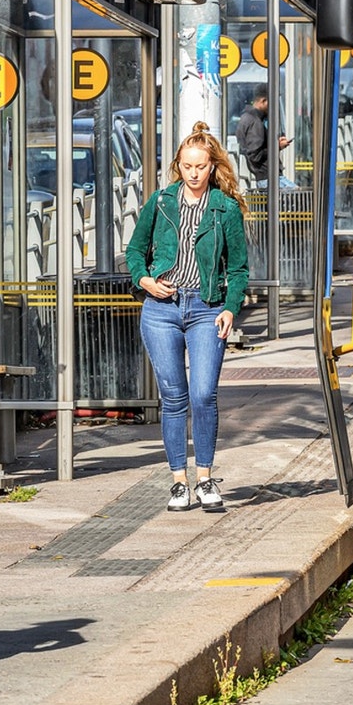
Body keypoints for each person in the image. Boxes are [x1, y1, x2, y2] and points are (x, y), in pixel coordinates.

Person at [125, 122, 250, 514]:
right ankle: (179, 481)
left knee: (203, 394)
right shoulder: (160, 202)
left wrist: (231, 306)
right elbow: (134, 251)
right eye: (187, 166)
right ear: (177, 166)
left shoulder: (225, 208)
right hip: (161, 309)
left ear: (212, 167)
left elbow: (240, 268)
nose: (194, 174)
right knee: (174, 397)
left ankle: (206, 478)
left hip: (206, 308)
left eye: (201, 166)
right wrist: (145, 280)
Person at [234, 86, 293, 187]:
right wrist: (277, 146)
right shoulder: (255, 121)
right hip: (268, 177)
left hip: (265, 177)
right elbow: (255, 155)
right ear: (263, 101)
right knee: (302, 199)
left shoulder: (248, 118)